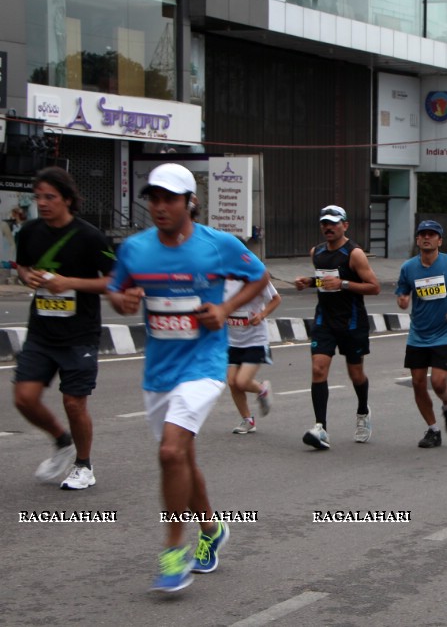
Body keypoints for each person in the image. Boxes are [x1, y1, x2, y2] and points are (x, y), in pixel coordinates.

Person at [107, 163, 269, 592]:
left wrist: (223, 310)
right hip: (160, 370)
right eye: (153, 198)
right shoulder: (135, 250)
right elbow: (116, 288)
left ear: (188, 203)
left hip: (205, 364)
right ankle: (212, 530)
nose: (159, 207)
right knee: (181, 458)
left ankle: (174, 548)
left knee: (169, 451)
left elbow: (260, 277)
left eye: (169, 199)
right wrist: (121, 299)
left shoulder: (218, 246)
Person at [13, 167, 115, 490]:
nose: (42, 203)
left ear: (67, 200)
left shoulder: (90, 237)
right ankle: (61, 440)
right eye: (38, 197)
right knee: (24, 398)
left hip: (79, 334)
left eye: (50, 197)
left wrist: (69, 283)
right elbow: (23, 265)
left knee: (74, 402)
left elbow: (115, 280)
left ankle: (84, 465)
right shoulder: (29, 232)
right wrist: (26, 276)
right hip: (42, 332)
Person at [294, 205, 381, 449]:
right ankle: (320, 427)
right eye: (324, 223)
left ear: (345, 225)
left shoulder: (354, 254)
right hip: (325, 320)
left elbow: (374, 287)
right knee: (318, 368)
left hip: (352, 322)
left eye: (333, 223)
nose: (328, 227)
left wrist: (342, 284)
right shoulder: (317, 252)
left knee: (356, 374)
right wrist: (309, 282)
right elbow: (324, 280)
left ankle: (363, 412)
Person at [395, 220, 447, 448]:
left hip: (445, 332)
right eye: (423, 234)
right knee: (418, 383)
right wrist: (403, 300)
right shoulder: (408, 267)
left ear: (440, 240)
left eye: (432, 235)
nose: (427, 238)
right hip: (418, 334)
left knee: (439, 382)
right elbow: (402, 293)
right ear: (418, 240)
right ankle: (433, 429)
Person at [225, 278, 281, 434]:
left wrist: (262, 315)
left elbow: (276, 299)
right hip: (232, 340)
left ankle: (262, 389)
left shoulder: (255, 276)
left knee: (242, 382)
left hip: (255, 340)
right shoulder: (219, 277)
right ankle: (248, 420)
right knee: (232, 382)